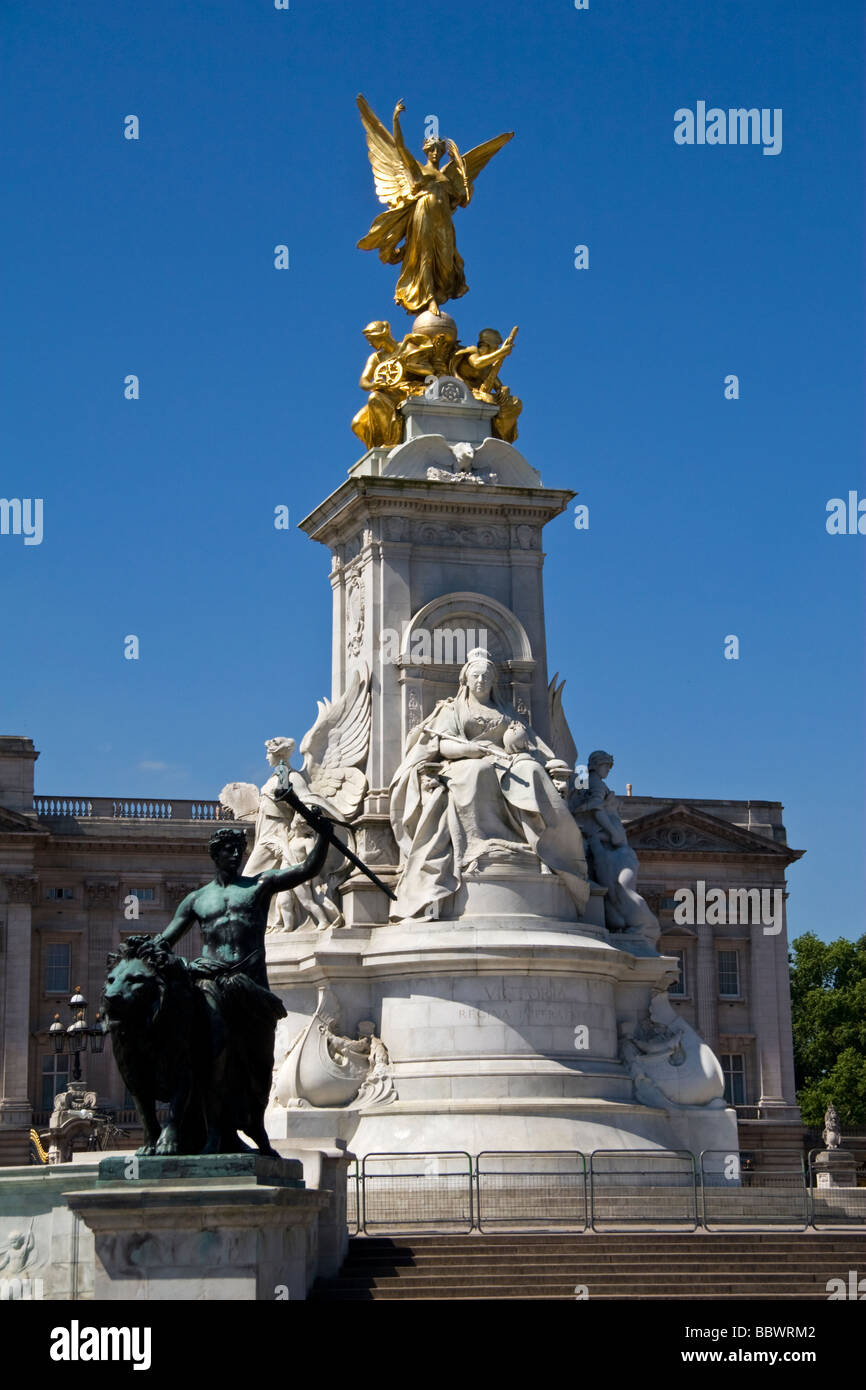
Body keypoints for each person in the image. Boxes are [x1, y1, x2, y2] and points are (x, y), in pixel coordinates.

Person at [155, 817, 330, 1154]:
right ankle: (216, 1130)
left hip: (252, 986)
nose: (235, 854)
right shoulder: (196, 900)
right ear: (215, 855)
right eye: (227, 850)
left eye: (239, 849)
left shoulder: (258, 886)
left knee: (260, 1062)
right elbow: (166, 941)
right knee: (217, 1048)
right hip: (212, 981)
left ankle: (254, 1126)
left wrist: (323, 835)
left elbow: (306, 870)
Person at [389, 652, 589, 920]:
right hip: (464, 762)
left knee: (531, 770)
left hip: (506, 762)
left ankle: (542, 847)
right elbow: (441, 744)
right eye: (476, 675)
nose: (481, 680)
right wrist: (469, 750)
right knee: (478, 772)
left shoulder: (505, 711)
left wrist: (517, 743)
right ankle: (477, 846)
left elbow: (531, 746)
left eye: (486, 676)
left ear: (495, 680)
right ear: (466, 680)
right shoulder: (453, 709)